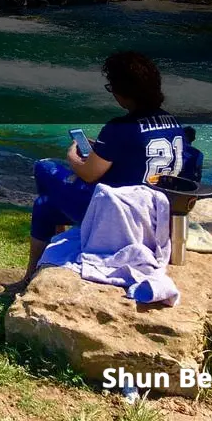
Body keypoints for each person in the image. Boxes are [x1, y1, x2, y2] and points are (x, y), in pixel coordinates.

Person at [24, 51, 185, 280]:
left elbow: (89, 174)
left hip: (119, 213)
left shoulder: (119, 127)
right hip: (155, 213)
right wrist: (100, 148)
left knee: (45, 168)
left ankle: (42, 265)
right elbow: (136, 154)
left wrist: (72, 156)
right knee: (44, 205)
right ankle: (35, 271)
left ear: (124, 92)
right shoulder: (172, 121)